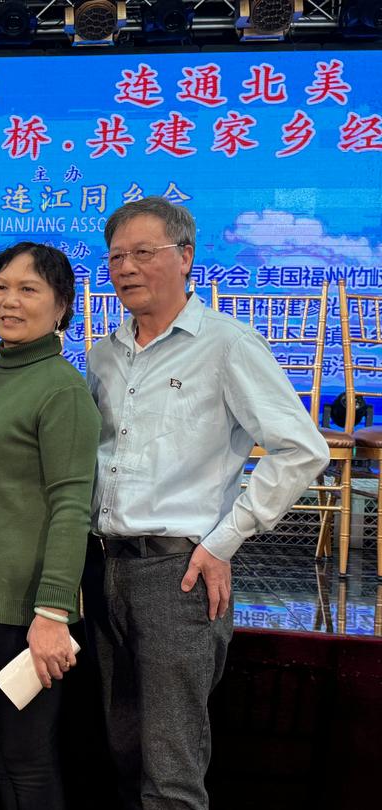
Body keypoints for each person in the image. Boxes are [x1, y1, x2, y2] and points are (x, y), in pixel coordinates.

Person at [85, 197, 330, 809]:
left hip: (179, 573)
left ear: (185, 257)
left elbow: (301, 449)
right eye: (116, 256)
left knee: (171, 770)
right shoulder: (103, 354)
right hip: (102, 566)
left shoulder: (226, 344)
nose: (126, 267)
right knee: (120, 752)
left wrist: (223, 542)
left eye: (144, 252)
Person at [0, 242, 100, 810]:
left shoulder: (63, 389)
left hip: (27, 613)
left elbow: (71, 506)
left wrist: (53, 611)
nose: (9, 301)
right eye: (1, 287)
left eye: (28, 289)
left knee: (28, 759)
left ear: (61, 306)